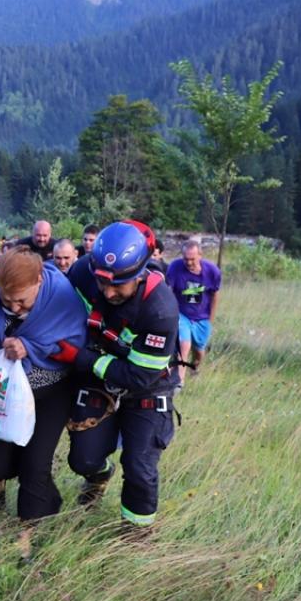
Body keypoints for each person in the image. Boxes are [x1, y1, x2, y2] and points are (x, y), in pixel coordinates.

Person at [65, 221, 180, 537]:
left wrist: (87, 360)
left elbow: (139, 376)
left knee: (139, 468)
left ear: (140, 274)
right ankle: (99, 476)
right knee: (83, 459)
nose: (108, 292)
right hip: (99, 376)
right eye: (102, 283)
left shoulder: (160, 310)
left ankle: (135, 537)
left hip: (147, 386)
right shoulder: (82, 272)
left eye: (119, 286)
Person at [0, 248, 85, 559]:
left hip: (51, 389)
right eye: (6, 300)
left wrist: (31, 348)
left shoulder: (61, 295)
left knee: (35, 463)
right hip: (3, 386)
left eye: (22, 301)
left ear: (38, 280)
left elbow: (77, 344)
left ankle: (26, 533)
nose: (13, 307)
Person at [166, 239, 221, 384]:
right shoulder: (175, 267)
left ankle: (195, 367)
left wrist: (210, 319)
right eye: (186, 259)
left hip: (202, 317)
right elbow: (168, 292)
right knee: (184, 345)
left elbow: (215, 295)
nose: (189, 262)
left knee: (199, 351)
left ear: (200, 256)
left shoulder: (212, 271)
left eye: (192, 259)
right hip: (181, 314)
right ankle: (179, 382)